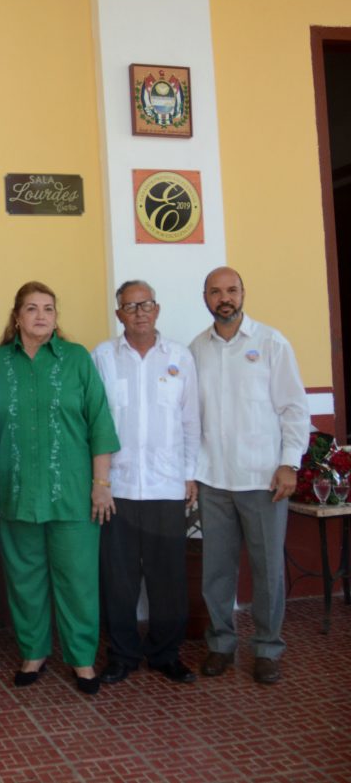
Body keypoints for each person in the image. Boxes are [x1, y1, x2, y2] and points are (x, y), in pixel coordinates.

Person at [0, 281, 119, 695]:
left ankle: (81, 660)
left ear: (57, 317)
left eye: (49, 309)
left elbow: (100, 424)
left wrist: (101, 484)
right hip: (15, 492)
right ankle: (33, 653)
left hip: (74, 494)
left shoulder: (76, 359)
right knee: (24, 578)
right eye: (32, 308)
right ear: (17, 316)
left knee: (78, 580)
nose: (41, 316)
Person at [190, 266, 309, 684]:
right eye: (216, 291)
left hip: (264, 480)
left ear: (243, 294)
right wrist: (191, 472)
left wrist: (289, 462)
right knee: (217, 570)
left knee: (267, 569)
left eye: (232, 290)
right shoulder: (195, 350)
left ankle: (267, 649)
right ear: (204, 297)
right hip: (214, 479)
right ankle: (221, 644)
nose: (225, 298)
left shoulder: (271, 342)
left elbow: (294, 408)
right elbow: (190, 418)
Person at [92, 280, 200, 685]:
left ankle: (165, 654)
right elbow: (93, 422)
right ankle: (121, 655)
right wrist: (97, 480)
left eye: (146, 304)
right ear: (118, 313)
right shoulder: (102, 356)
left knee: (167, 578)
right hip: (116, 490)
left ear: (158, 309)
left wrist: (190, 473)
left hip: (166, 486)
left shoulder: (180, 358)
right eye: (130, 306)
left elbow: (191, 420)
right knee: (117, 580)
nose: (139, 312)